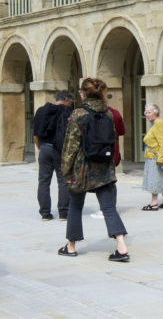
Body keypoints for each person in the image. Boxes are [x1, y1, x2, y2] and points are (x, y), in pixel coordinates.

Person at [57, 77, 129, 263]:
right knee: (109, 208)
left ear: (83, 94)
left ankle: (71, 247)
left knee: (75, 206)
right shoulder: (109, 113)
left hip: (80, 169)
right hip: (104, 168)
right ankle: (121, 247)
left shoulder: (78, 114)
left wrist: (65, 172)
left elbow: (70, 146)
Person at [32, 90, 72, 221]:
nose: (70, 105)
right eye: (70, 102)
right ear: (66, 100)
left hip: (45, 147)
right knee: (63, 181)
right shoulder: (67, 112)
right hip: (62, 150)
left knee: (43, 181)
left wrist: (40, 147)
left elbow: (36, 134)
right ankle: (64, 212)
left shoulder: (42, 111)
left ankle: (45, 213)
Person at [140, 104, 163, 211]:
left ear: (156, 112)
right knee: (162, 178)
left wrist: (160, 158)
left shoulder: (158, 123)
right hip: (156, 155)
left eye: (149, 112)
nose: (146, 115)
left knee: (155, 179)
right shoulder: (155, 123)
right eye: (146, 113)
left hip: (156, 157)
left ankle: (154, 203)